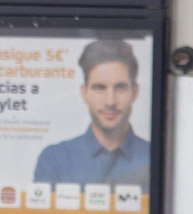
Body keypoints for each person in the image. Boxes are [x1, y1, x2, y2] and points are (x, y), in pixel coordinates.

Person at [33, 39, 150, 188]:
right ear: (84, 92)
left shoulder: (155, 157)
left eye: (120, 88)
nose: (110, 101)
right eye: (99, 88)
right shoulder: (54, 159)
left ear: (135, 92)